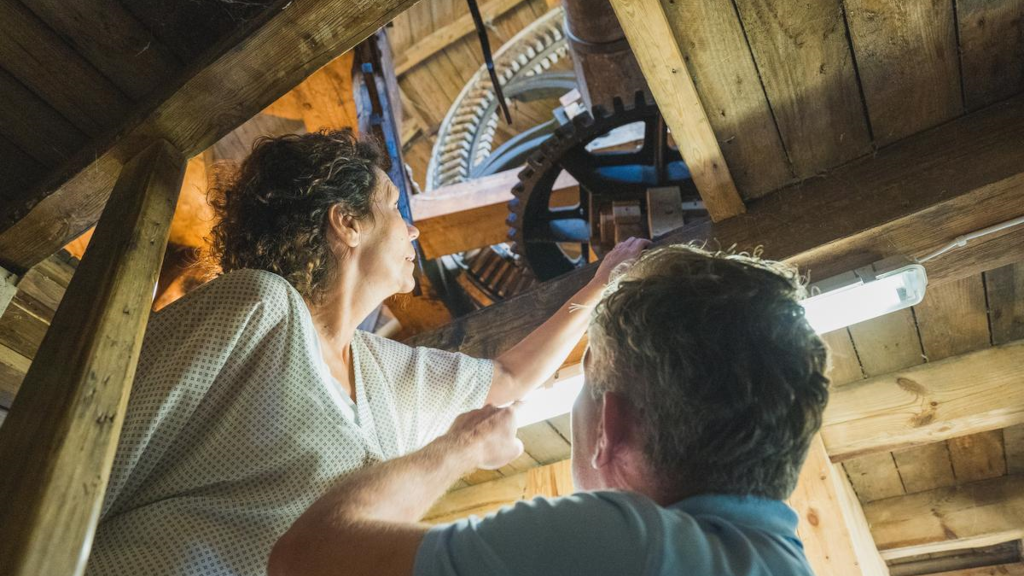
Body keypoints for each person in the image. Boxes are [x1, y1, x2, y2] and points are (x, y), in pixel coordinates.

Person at [86, 129, 648, 576]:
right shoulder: (256, 306)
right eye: (395, 208)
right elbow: (93, 454)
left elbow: (506, 378)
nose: (414, 232)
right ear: (348, 222)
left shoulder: (385, 371)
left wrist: (600, 286)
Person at [268, 244, 832, 576]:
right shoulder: (782, 561)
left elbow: (304, 559)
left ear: (611, 427)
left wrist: (459, 447)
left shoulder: (630, 543)